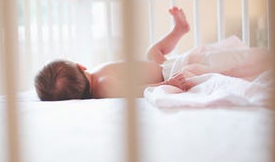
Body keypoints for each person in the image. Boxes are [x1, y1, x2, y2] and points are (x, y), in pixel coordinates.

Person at [34, 7, 194, 100]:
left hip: (161, 67)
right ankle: (178, 31)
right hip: (166, 73)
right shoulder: (103, 85)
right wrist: (166, 85)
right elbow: (136, 90)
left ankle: (179, 30)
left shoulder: (99, 81)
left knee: (152, 51)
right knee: (154, 52)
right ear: (80, 66)